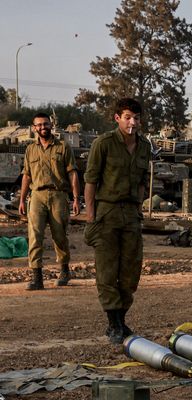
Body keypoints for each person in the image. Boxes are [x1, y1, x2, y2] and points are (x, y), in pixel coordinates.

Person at [84, 98, 153, 344]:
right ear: (117, 118)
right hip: (107, 213)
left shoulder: (144, 146)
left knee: (131, 272)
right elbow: (90, 181)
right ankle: (114, 324)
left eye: (136, 118)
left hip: (132, 215)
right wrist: (91, 217)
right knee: (106, 271)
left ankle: (120, 318)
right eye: (127, 118)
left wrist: (140, 203)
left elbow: (144, 179)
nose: (132, 123)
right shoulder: (103, 144)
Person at [19, 113, 79, 290]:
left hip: (58, 195)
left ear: (51, 125)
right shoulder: (30, 149)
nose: (42, 127)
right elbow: (26, 175)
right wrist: (22, 200)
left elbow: (72, 173)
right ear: (34, 127)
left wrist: (76, 198)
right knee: (34, 235)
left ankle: (64, 270)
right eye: (39, 125)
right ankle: (37, 277)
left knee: (59, 235)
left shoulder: (63, 146)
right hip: (36, 195)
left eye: (45, 124)